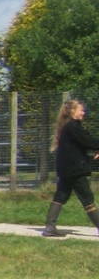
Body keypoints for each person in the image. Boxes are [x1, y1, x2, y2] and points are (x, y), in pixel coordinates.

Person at [41, 98, 99, 237]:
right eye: (81, 110)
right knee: (87, 198)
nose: (83, 112)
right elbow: (88, 141)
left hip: (66, 168)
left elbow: (85, 142)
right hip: (75, 169)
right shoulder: (73, 127)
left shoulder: (68, 126)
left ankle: (50, 227)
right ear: (73, 111)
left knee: (61, 195)